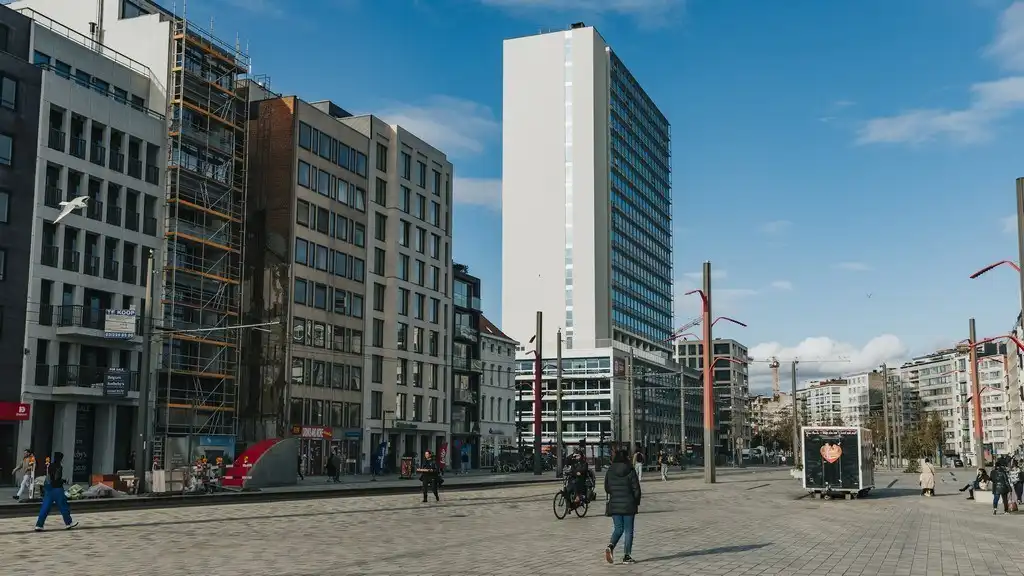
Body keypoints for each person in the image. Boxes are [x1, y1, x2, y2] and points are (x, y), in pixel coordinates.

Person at [603, 449, 641, 565]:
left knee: (618, 528)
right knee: (628, 530)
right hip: (629, 504)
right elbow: (636, 489)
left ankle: (611, 546)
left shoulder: (610, 470)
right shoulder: (630, 470)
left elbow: (607, 488)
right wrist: (636, 502)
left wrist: (614, 493)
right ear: (626, 458)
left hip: (614, 503)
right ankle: (627, 556)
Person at [35, 452, 77, 531]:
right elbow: (56, 478)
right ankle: (69, 523)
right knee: (63, 506)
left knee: (45, 507)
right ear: (60, 459)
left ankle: (39, 525)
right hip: (57, 489)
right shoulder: (59, 466)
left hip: (49, 489)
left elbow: (50, 477)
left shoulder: (50, 465)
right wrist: (63, 481)